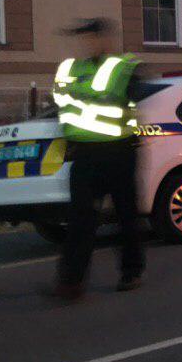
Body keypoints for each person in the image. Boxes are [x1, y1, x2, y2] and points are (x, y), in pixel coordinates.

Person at [51, 18, 144, 299]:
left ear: (106, 40)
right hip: (85, 156)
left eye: (93, 38)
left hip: (119, 152)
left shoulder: (125, 68)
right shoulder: (70, 69)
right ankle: (71, 281)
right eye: (85, 39)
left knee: (126, 216)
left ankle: (131, 271)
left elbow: (135, 100)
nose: (88, 44)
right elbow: (61, 105)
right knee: (80, 220)